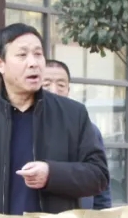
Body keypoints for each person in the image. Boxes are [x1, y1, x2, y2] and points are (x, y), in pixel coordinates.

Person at [0, 24, 109, 218]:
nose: (33, 63)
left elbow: (98, 176)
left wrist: (52, 174)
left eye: (38, 54)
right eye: (22, 55)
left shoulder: (73, 114)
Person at [41, 59, 112, 210]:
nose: (54, 90)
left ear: (68, 89)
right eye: (46, 84)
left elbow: (101, 185)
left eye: (61, 85)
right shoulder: (25, 127)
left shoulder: (88, 128)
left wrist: (102, 215)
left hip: (80, 216)